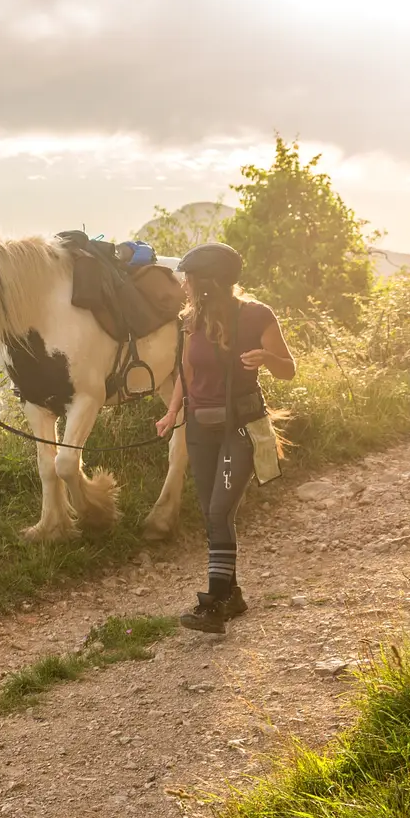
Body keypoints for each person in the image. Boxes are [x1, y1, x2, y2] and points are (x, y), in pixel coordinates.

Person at [154, 243, 295, 634]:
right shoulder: (190, 319)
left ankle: (214, 604)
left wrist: (267, 360)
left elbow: (290, 370)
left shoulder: (257, 316)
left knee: (219, 512)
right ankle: (232, 596)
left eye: (189, 277)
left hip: (240, 429)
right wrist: (172, 412)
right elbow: (186, 371)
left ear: (208, 282)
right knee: (211, 513)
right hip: (199, 429)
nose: (183, 283)